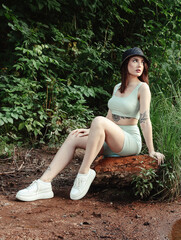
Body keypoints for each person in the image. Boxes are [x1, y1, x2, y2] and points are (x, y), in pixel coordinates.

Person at [16, 47, 165, 202]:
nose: (139, 65)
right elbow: (109, 117)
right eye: (134, 60)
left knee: (99, 121)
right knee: (74, 136)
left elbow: (145, 119)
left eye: (142, 62)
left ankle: (84, 173)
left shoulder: (143, 88)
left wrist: (152, 150)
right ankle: (43, 184)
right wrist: (91, 130)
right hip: (109, 139)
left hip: (128, 140)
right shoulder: (117, 87)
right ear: (125, 64)